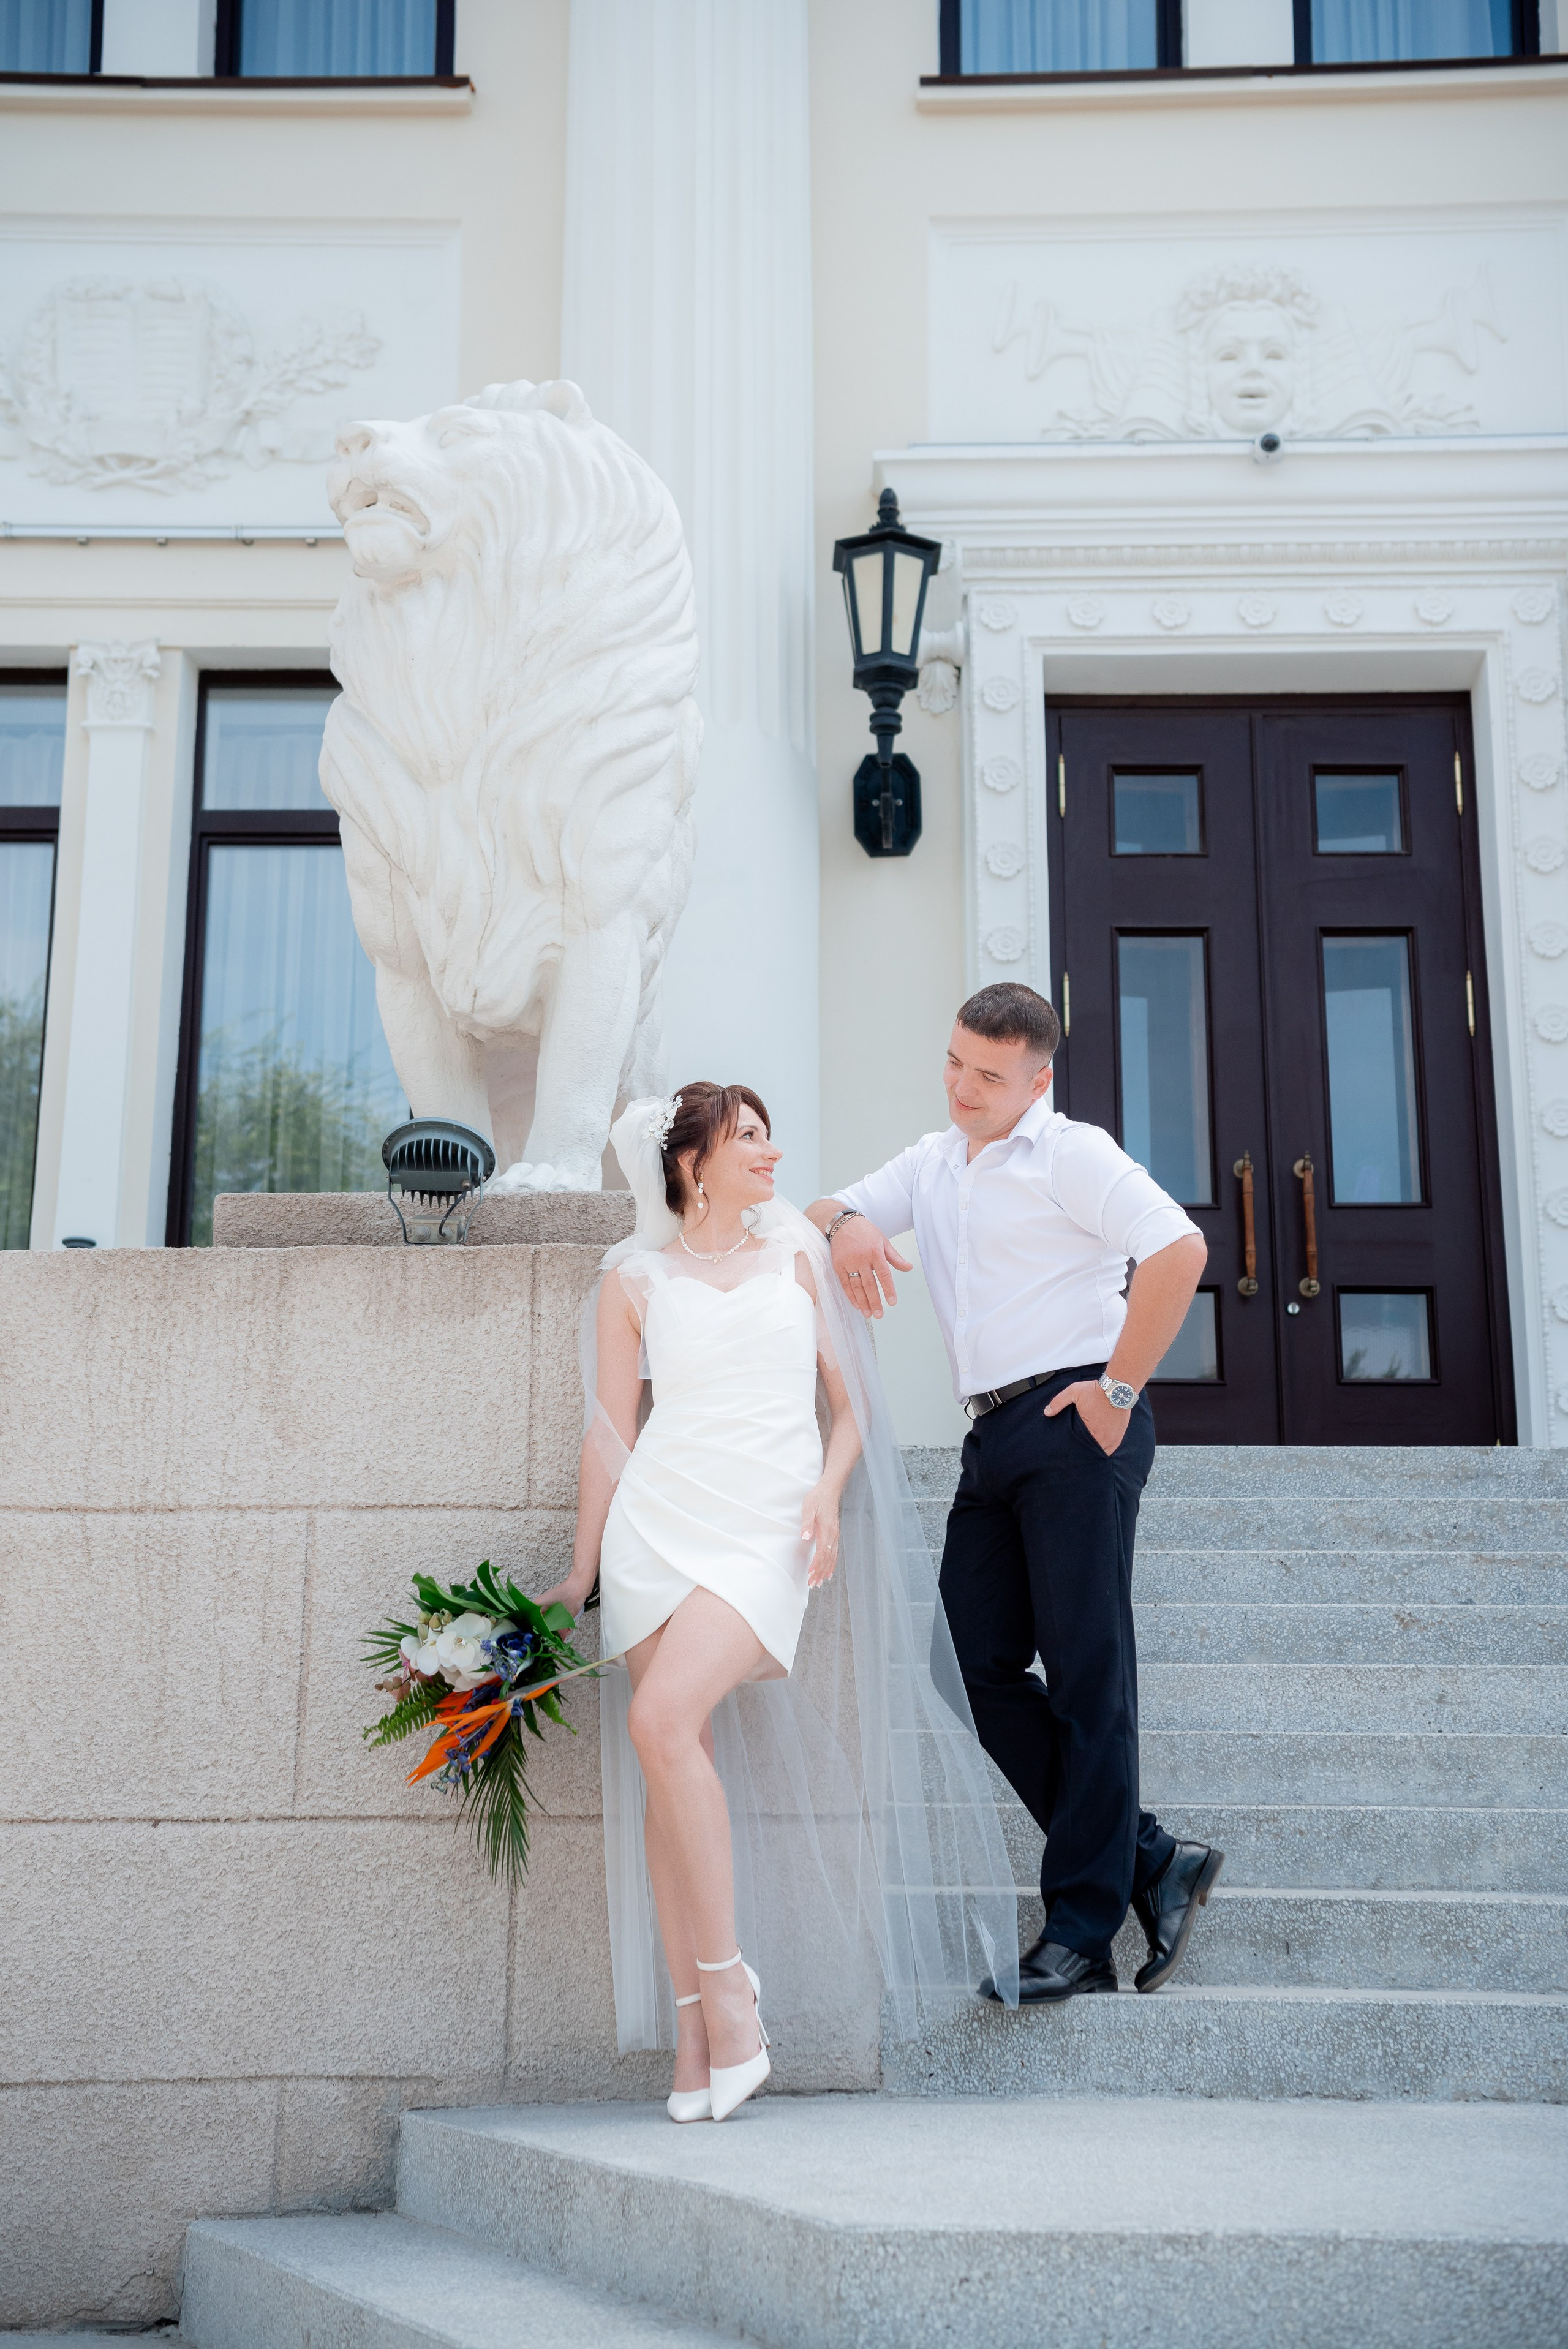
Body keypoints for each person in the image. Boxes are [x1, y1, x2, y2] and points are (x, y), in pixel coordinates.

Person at [539, 1082, 1018, 2122]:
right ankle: (695, 2042)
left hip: (762, 1521)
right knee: (676, 1767)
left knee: (663, 1721)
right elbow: (610, 1437)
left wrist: (827, 1493)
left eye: (767, 1135)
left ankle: (732, 1994)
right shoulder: (631, 1279)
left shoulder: (797, 1256)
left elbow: (849, 1406)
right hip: (654, 1526)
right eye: (748, 1137)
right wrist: (580, 1572)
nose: (772, 1152)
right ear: (691, 1163)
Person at [808, 983, 1222, 2004]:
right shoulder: (938, 1159)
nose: (963, 1087)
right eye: (954, 1062)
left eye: (989, 1075)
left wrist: (1119, 1391)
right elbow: (821, 1208)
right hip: (991, 1438)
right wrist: (851, 1224)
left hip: (1078, 1426)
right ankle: (1152, 1860)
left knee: (1089, 1675)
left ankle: (1080, 1934)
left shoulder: (1072, 1153)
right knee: (967, 1666)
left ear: (1039, 1079)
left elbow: (1180, 1249)